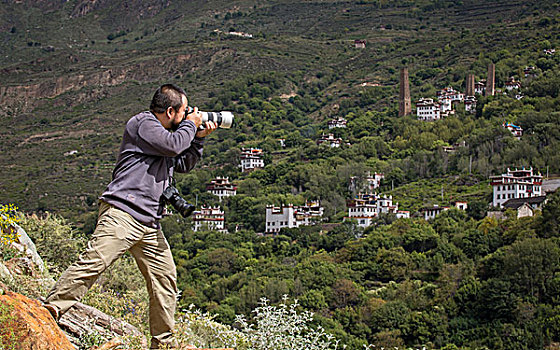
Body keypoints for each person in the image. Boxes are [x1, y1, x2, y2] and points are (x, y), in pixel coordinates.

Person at [43, 84, 216, 349]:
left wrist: (199, 138)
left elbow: (181, 162)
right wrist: (191, 126)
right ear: (170, 111)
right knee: (94, 262)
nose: (187, 115)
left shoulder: (166, 135)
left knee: (165, 281)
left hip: (149, 222)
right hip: (123, 212)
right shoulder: (143, 124)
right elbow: (173, 146)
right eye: (184, 111)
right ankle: (48, 312)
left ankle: (164, 343)